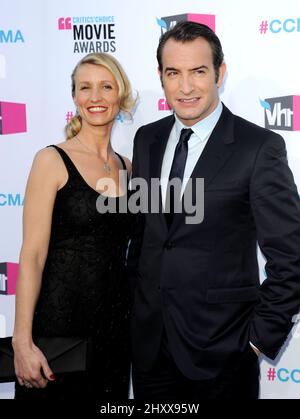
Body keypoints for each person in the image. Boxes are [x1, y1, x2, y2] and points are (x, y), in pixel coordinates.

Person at [128, 21, 300, 400]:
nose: (185, 87)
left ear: (220, 73)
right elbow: (145, 238)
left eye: (198, 71)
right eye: (174, 73)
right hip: (149, 354)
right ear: (160, 76)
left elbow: (291, 258)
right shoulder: (147, 139)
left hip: (223, 357)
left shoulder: (258, 148)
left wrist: (255, 343)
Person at [12, 52, 136, 400]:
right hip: (58, 330)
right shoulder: (51, 160)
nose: (95, 97)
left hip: (114, 332)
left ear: (120, 95)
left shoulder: (130, 168)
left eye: (105, 86)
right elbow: (32, 255)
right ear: (74, 97)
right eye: (85, 88)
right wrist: (22, 341)